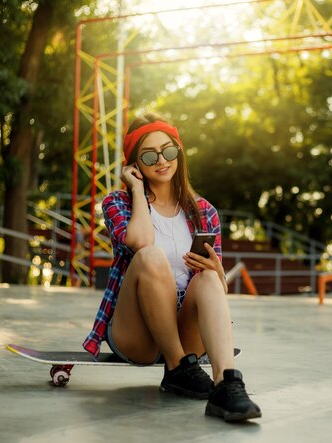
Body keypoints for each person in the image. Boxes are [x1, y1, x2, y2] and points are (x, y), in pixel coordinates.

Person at [82, 113, 261, 422]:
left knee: (207, 278)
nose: (161, 160)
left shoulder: (204, 211)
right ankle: (176, 368)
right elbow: (139, 241)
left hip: (184, 329)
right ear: (134, 165)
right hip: (136, 333)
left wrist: (215, 270)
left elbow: (218, 288)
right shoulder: (117, 203)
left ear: (179, 151)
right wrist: (137, 191)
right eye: (149, 155)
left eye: (168, 150)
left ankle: (225, 384)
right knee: (151, 256)